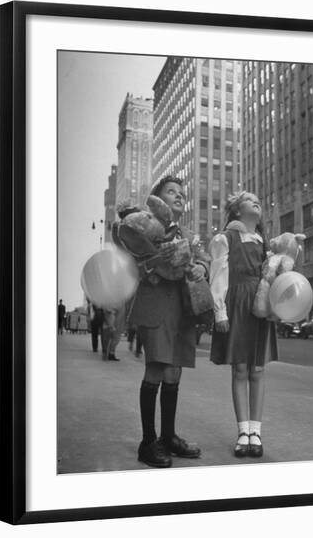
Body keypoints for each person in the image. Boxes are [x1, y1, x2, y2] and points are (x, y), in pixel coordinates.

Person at [128, 176, 209, 468]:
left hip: (183, 309)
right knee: (156, 369)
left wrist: (200, 266)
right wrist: (156, 261)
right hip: (155, 306)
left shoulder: (187, 232)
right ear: (157, 199)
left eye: (182, 193)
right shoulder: (144, 228)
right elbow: (134, 264)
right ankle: (147, 442)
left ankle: (168, 436)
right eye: (171, 192)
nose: (178, 196)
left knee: (174, 372)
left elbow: (204, 258)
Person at [209, 191, 278, 458]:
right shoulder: (224, 239)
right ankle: (242, 431)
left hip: (260, 304)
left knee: (258, 368)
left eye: (258, 199)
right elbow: (218, 276)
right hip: (237, 303)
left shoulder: (266, 243)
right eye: (250, 200)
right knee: (240, 368)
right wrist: (220, 312)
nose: (257, 201)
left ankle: (256, 433)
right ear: (237, 211)